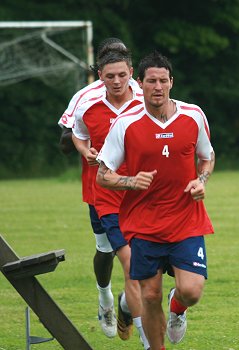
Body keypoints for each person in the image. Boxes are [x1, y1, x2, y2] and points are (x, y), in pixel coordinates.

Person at [96, 50, 215, 350]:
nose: (158, 87)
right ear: (141, 83)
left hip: (185, 220)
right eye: (152, 81)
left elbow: (207, 157)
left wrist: (200, 182)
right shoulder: (126, 123)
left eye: (163, 80)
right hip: (144, 223)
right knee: (149, 295)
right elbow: (102, 175)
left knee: (192, 290)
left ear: (171, 82)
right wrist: (130, 182)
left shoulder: (193, 115)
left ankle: (178, 307)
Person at [57, 37, 140, 341]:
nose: (116, 77)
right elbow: (66, 141)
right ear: (99, 69)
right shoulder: (85, 99)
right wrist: (87, 145)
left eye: (121, 66)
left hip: (142, 186)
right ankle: (106, 297)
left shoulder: (144, 91)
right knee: (106, 250)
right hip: (101, 187)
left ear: (129, 66)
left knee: (143, 253)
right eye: (108, 65)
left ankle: (130, 305)